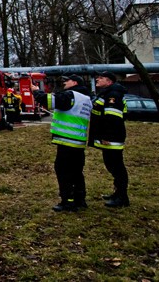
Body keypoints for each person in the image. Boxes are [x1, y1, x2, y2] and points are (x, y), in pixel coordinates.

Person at [34, 75, 93, 212]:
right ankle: (80, 199)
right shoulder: (86, 99)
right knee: (77, 172)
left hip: (66, 141)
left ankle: (68, 202)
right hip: (78, 142)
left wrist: (36, 90)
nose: (65, 82)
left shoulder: (71, 95)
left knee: (64, 172)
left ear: (75, 82)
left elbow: (48, 100)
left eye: (68, 80)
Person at [90, 72, 129, 208]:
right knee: (112, 166)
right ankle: (118, 193)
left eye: (100, 78)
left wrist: (106, 136)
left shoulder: (113, 95)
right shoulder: (107, 93)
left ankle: (122, 197)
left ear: (109, 81)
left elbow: (113, 118)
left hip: (112, 137)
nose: (97, 79)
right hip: (109, 137)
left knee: (117, 167)